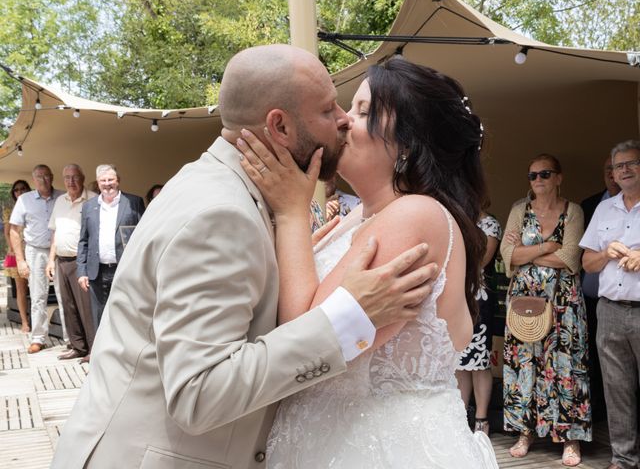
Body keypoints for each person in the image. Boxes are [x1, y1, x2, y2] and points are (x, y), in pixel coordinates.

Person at [51, 44, 437, 469]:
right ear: (280, 126)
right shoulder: (222, 213)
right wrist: (345, 320)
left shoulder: (215, 183)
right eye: (328, 110)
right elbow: (199, 393)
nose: (344, 119)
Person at [236, 57, 499, 467]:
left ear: (407, 144)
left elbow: (303, 339)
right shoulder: (361, 216)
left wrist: (291, 211)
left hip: (383, 447)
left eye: (362, 111)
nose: (342, 120)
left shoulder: (415, 215)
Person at [500, 154, 591, 467]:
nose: (538, 180)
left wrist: (526, 253)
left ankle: (570, 438)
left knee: (566, 365)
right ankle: (525, 433)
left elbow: (571, 259)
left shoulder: (574, 210)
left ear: (558, 178)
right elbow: (506, 255)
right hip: (525, 302)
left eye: (545, 174)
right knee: (525, 364)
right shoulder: (517, 210)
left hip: (564, 303)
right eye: (532, 175)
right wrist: (546, 247)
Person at [580, 140, 640, 469]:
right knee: (616, 389)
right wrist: (607, 253)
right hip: (610, 311)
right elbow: (587, 262)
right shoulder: (605, 208)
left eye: (632, 163)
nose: (625, 170)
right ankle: (623, 458)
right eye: (619, 166)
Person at [76, 164, 145, 333]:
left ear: (118, 181)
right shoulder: (88, 206)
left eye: (110, 179)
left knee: (126, 314)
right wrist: (82, 271)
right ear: (98, 183)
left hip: (124, 270)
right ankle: (102, 355)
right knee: (99, 316)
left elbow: (144, 235)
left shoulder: (134, 202)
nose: (107, 184)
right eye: (103, 180)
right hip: (97, 272)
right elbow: (83, 240)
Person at [580, 155, 620, 422]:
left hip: (624, 300)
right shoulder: (591, 204)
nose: (612, 173)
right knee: (593, 358)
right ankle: (599, 413)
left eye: (616, 168)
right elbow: (580, 254)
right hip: (592, 297)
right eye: (609, 169)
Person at [456, 207, 502, 435]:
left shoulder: (489, 224)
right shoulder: (455, 218)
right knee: (460, 361)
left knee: (480, 360)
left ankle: (482, 418)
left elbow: (483, 260)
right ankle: (461, 415)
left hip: (479, 298)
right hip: (456, 296)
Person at [9, 165, 64, 353]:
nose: (44, 180)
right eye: (39, 177)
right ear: (34, 180)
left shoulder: (63, 197)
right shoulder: (25, 200)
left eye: (47, 176)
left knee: (65, 295)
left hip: (61, 252)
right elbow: (14, 231)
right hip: (36, 251)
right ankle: (38, 338)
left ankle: (71, 337)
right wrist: (20, 260)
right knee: (38, 296)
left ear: (53, 177)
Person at [46, 164, 97, 361]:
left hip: (81, 261)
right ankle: (78, 346)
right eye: (67, 178)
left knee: (87, 308)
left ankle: (94, 349)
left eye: (75, 177)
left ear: (83, 178)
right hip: (61, 260)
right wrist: (51, 260)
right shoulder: (60, 201)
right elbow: (54, 232)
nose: (71, 181)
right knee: (68, 306)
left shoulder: (93, 199)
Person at [3, 179, 32, 332]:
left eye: (23, 188)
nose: (20, 191)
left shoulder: (34, 204)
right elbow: (7, 232)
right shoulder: (10, 209)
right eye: (16, 190)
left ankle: (39, 319)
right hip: (17, 252)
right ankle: (25, 322)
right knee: (21, 288)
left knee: (36, 287)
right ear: (13, 193)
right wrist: (15, 249)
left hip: (34, 250)